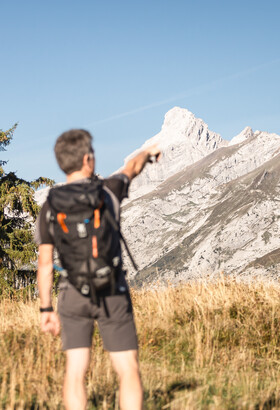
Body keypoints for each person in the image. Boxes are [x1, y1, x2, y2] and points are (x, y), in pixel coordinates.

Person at [35, 129, 161, 410]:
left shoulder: (50, 206)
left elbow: (45, 265)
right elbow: (132, 168)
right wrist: (148, 152)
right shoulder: (108, 190)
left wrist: (46, 309)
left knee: (76, 370)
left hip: (72, 294)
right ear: (87, 159)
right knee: (127, 369)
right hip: (112, 290)